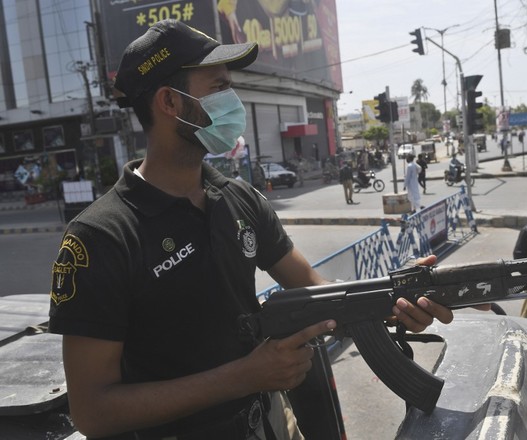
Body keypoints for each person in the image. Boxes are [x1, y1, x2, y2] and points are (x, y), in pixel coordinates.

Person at [48, 19, 458, 440]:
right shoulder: (101, 236)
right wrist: (244, 377)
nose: (234, 101)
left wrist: (396, 299)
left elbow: (314, 288)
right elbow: (92, 411)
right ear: (170, 101)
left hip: (268, 422)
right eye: (219, 87)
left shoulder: (238, 198)